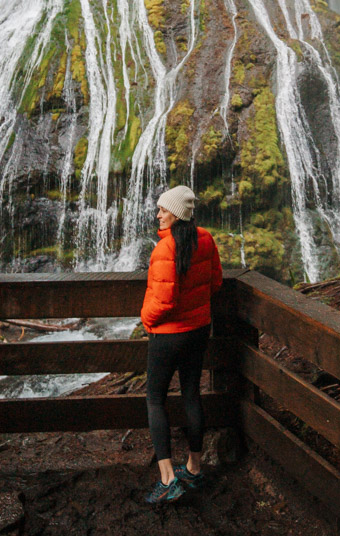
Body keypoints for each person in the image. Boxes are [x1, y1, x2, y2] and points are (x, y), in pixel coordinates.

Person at [140, 185, 223, 505]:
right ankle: (194, 467)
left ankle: (167, 478)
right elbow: (215, 283)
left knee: (155, 400)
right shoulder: (206, 239)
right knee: (191, 394)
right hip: (199, 331)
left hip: (168, 336)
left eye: (163, 209)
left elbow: (163, 300)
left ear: (176, 214)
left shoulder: (165, 249)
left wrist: (146, 320)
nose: (158, 214)